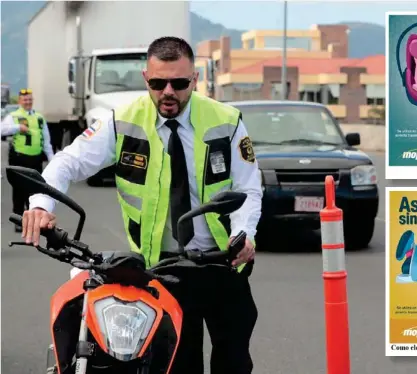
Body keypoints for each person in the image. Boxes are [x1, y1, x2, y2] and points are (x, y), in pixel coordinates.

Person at [21, 37, 262, 374]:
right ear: (145, 78)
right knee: (177, 363)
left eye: (179, 83)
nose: (168, 92)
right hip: (163, 270)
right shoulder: (123, 121)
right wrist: (42, 205)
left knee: (234, 361)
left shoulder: (227, 120)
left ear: (194, 79)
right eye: (158, 83)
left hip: (224, 262)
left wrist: (244, 234)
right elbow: (67, 163)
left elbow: (248, 187)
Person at [1, 88, 54, 232]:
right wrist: (17, 127)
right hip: (19, 157)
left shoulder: (39, 117)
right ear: (19, 101)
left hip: (36, 159)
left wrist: (52, 159)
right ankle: (18, 220)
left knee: (36, 190)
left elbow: (46, 140)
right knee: (19, 190)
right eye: (25, 100)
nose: (28, 102)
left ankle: (33, 220)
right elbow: (1, 129)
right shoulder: (14, 115)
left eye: (30, 99)